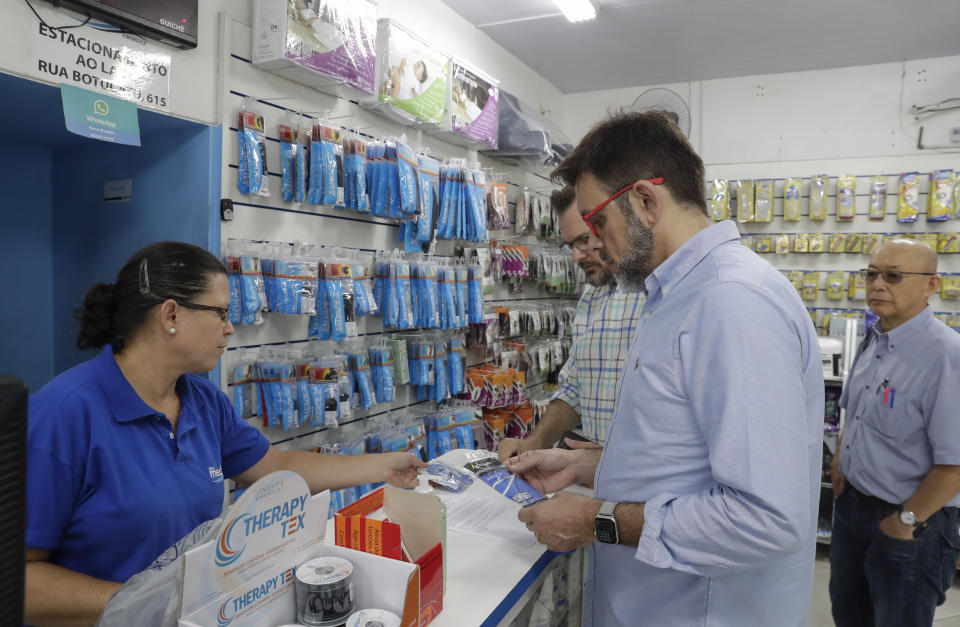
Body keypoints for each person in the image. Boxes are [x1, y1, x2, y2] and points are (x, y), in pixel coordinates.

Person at [506, 111, 824, 626]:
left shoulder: (730, 303)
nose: (595, 245)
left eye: (598, 222)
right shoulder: (676, 295)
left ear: (645, 202)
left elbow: (764, 520)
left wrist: (598, 519)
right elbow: (691, 452)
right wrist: (593, 468)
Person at [25, 242, 425, 627]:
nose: (230, 328)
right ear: (171, 315)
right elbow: (21, 582)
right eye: (220, 313)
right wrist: (144, 607)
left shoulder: (201, 400)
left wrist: (381, 465)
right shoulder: (63, 416)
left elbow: (275, 465)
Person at [829, 239, 960, 627]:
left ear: (931, 286)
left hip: (911, 526)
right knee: (849, 615)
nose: (877, 285)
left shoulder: (947, 357)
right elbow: (855, 411)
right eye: (871, 275)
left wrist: (904, 521)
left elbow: (954, 465)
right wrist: (840, 462)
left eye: (893, 276)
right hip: (853, 509)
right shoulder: (875, 338)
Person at [498, 186, 644, 460]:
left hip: (655, 494)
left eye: (584, 239)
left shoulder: (657, 295)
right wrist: (535, 441)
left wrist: (610, 461)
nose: (576, 257)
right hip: (598, 485)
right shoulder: (591, 296)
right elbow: (574, 388)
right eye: (570, 246)